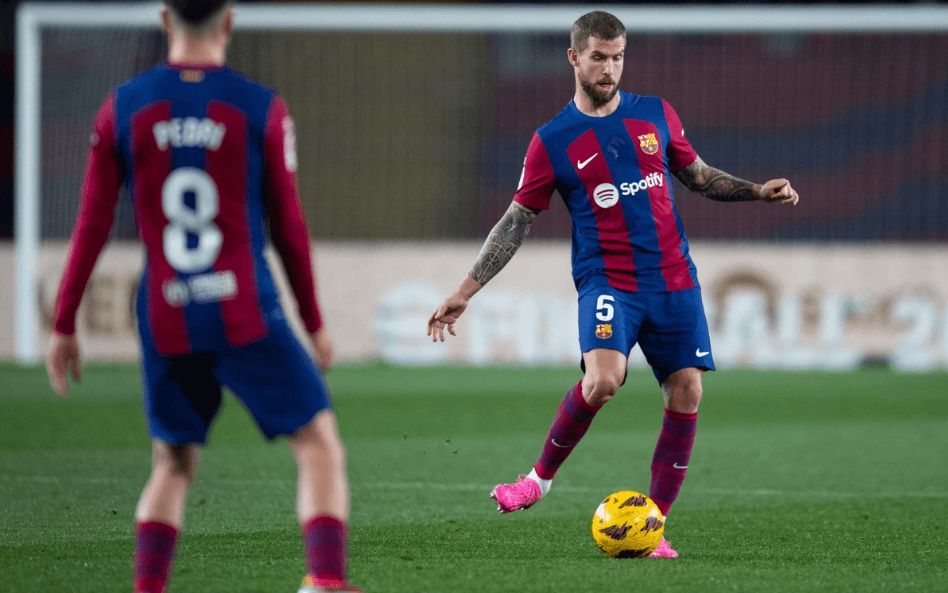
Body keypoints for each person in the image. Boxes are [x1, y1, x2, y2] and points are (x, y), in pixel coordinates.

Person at [427, 10, 798, 559]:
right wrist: (465, 289)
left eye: (618, 56)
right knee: (603, 381)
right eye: (599, 57)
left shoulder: (655, 115)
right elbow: (515, 221)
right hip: (609, 282)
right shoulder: (552, 140)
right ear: (574, 58)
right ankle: (538, 480)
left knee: (688, 389)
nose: (610, 68)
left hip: (674, 278)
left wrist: (755, 192)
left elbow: (696, 176)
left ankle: (653, 529)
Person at [45, 2, 360, 591]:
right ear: (229, 22)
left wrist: (64, 324)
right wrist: (313, 321)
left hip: (166, 311)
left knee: (173, 463)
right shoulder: (259, 107)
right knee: (318, 443)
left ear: (165, 21)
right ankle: (323, 582)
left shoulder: (123, 107)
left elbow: (90, 223)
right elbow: (288, 225)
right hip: (245, 310)